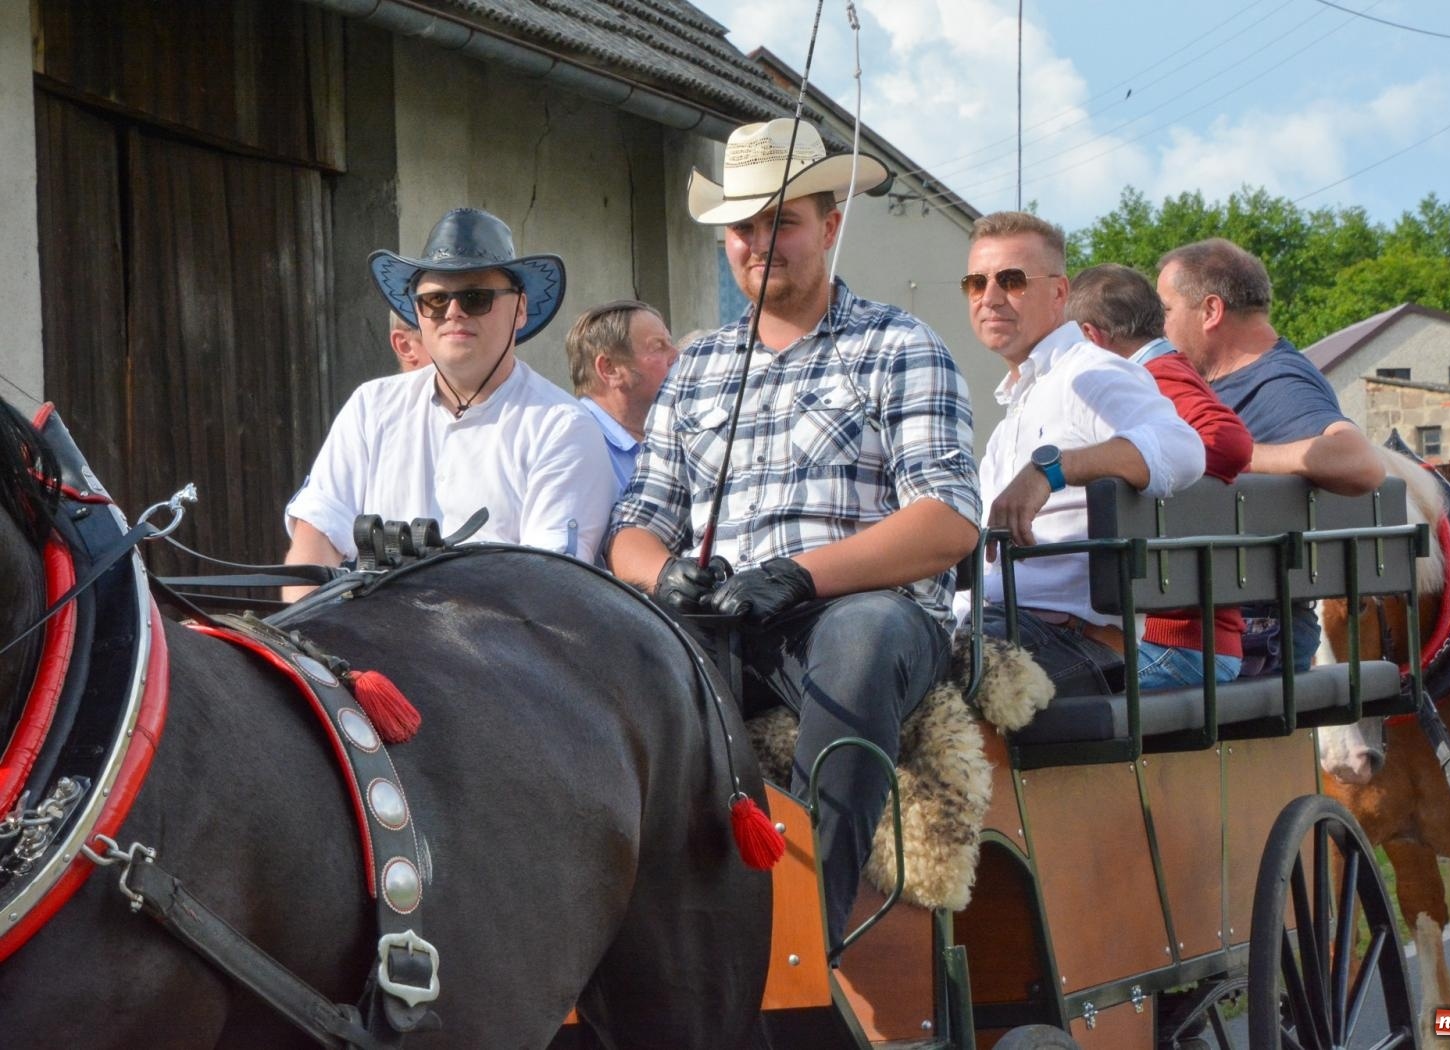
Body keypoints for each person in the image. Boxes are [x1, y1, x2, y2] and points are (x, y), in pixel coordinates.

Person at [607, 118, 981, 944]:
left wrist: (803, 574)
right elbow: (635, 524)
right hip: (722, 621)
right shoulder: (696, 370)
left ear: (831, 226)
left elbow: (948, 518)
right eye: (742, 227)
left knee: (859, 644)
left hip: (861, 614)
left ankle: (805, 940)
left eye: (782, 221)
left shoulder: (898, 346)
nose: (758, 243)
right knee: (599, 662)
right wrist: (664, 574)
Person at [284, 208, 616, 593]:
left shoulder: (563, 428)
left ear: (520, 309)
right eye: (435, 300)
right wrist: (302, 624)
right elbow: (316, 537)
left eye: (476, 298)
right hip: (359, 632)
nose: (453, 312)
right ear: (418, 313)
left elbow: (546, 589)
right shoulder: (370, 406)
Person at [961, 212, 1205, 697]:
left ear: (1059, 293)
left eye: (1012, 280)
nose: (990, 297)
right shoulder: (1018, 409)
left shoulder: (1088, 374)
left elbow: (1183, 449)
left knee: (918, 678)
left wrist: (1049, 469)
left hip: (1072, 643)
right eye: (975, 283)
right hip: (1005, 631)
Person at [1156, 237, 1385, 673]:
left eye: (1165, 310)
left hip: (1252, 640)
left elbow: (1360, 462)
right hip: (1222, 632)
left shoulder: (1277, 381)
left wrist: (1228, 455)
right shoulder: (1230, 379)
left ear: (1210, 311)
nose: (1158, 326)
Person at [1066, 263, 1253, 689]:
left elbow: (1229, 441)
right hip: (1192, 639)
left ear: (1092, 338)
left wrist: (1140, 461)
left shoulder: (1156, 379)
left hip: (1177, 643)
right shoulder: (1172, 371)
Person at [564, 299, 679, 490]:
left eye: (670, 342)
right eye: (658, 346)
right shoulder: (572, 441)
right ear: (609, 369)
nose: (677, 355)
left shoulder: (668, 437)